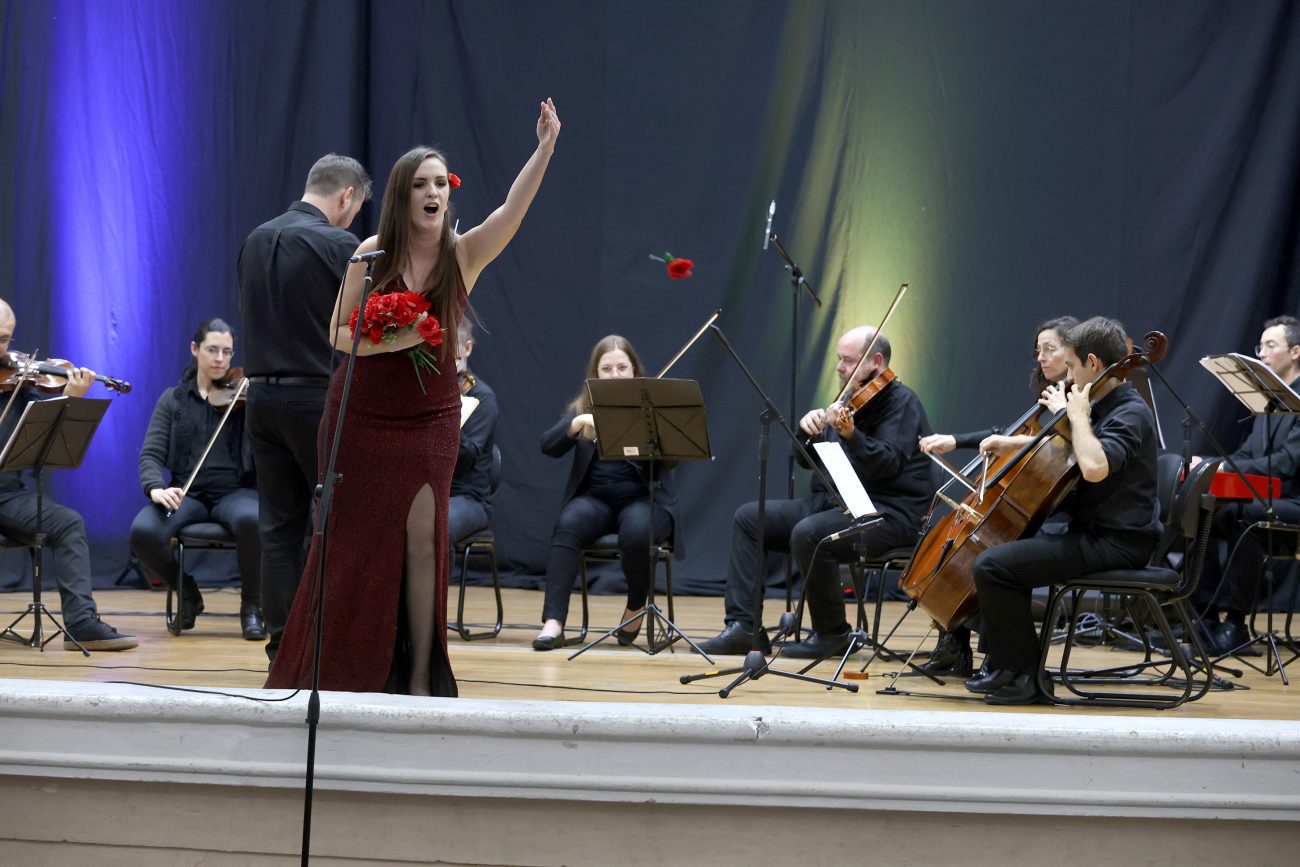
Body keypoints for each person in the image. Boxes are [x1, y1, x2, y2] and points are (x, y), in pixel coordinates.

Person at [267, 98, 562, 695]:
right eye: (421, 184)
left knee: (425, 544)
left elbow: (513, 210)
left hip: (429, 418)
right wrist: (399, 336)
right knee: (352, 543)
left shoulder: (462, 254)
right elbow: (338, 333)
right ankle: (343, 672)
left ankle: (424, 678)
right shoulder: (371, 250)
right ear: (404, 195)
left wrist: (545, 148)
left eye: (440, 184)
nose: (434, 194)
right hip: (361, 416)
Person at [697, 326, 933, 658]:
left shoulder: (902, 402)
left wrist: (852, 434)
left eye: (847, 361)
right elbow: (808, 462)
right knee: (750, 518)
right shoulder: (847, 398)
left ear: (876, 362)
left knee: (810, 534)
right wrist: (807, 431)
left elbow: (887, 465)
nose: (839, 367)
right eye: (839, 359)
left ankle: (833, 634)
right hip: (835, 503)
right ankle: (744, 627)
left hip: (887, 513)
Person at [969, 316, 1160, 705]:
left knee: (994, 567)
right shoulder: (1100, 402)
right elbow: (1064, 450)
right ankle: (1005, 665)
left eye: (1070, 366)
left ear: (1092, 363)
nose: (1067, 376)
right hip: (1093, 531)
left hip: (1119, 542)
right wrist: (1010, 445)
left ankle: (1026, 677)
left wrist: (1075, 415)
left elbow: (1093, 467)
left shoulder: (1130, 412)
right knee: (1002, 551)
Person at [238, 153, 372, 661]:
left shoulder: (253, 240)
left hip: (260, 399)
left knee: (278, 527)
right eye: (356, 208)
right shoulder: (342, 246)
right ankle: (330, 641)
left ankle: (281, 645)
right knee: (340, 519)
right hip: (316, 397)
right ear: (346, 196)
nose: (353, 218)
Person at [915, 315, 1078, 676]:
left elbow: (1057, 447)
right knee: (964, 545)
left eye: (1050, 349)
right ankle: (955, 643)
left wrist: (1011, 441)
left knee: (992, 555)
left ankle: (996, 655)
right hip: (1036, 501)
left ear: (1074, 351)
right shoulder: (1052, 394)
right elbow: (1013, 434)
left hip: (1062, 509)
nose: (1041, 358)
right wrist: (957, 441)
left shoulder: (1079, 399)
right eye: (1038, 351)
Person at [0, 299, 136, 650]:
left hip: (8, 496)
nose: (5, 350)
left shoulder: (16, 383)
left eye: (8, 339)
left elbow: (40, 420)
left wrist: (69, 395)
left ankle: (80, 624)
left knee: (68, 522)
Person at [532, 335, 681, 651]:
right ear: (595, 374)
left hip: (644, 499)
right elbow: (548, 446)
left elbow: (673, 460)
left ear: (634, 371)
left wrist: (651, 431)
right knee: (568, 522)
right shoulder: (584, 408)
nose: (615, 375)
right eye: (607, 368)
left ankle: (636, 605)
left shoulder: (652, 406)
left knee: (638, 531)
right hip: (596, 500)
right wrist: (577, 423)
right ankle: (553, 622)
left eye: (622, 367)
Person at [129, 318, 261, 638]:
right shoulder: (173, 400)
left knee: (252, 520)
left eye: (227, 352)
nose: (220, 359)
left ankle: (252, 606)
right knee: (143, 531)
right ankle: (186, 590)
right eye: (212, 350)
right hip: (187, 492)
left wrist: (261, 403)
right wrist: (156, 488)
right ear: (195, 349)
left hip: (235, 492)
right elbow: (150, 455)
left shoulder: (244, 397)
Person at [1192, 315, 1300, 655]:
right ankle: (1202, 615)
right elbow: (1247, 454)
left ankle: (1234, 624)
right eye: (1261, 346)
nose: (1262, 354)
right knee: (1204, 505)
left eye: (1271, 346)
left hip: (1294, 500)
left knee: (1249, 516)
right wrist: (1213, 465)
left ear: (1295, 352)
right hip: (1268, 497)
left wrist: (1226, 466)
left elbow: (1285, 463)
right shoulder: (1268, 404)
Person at [449, 317, 499, 549]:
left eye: (452, 353)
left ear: (467, 348)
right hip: (427, 492)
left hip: (468, 498)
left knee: (436, 524)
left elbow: (466, 458)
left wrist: (446, 418)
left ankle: (434, 587)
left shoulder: (481, 397)